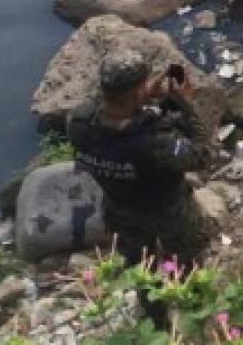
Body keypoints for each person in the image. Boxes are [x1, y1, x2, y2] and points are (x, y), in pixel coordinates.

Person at [69, 50, 214, 267]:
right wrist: (187, 107)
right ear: (137, 91)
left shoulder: (79, 125)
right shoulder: (154, 140)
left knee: (141, 269)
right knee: (188, 266)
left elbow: (112, 110)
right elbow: (201, 156)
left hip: (121, 212)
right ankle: (189, 296)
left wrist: (141, 95)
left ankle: (151, 300)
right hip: (170, 214)